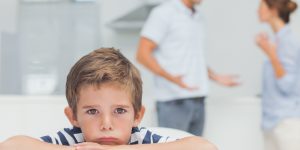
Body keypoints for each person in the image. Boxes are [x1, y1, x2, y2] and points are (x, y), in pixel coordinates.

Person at [0, 48, 217, 150]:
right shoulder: (74, 139)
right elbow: (10, 146)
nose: (106, 124)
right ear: (73, 116)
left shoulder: (140, 139)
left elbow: (205, 148)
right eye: (92, 111)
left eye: (120, 111)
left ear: (138, 115)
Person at [136, 0, 239, 136]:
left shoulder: (198, 17)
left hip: (198, 100)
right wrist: (172, 78)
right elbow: (142, 54)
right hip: (173, 101)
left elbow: (193, 59)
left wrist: (216, 77)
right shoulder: (163, 13)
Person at [256, 0, 300, 150]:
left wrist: (272, 55)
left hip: (286, 123)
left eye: (261, 7)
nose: (257, 11)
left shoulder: (288, 42)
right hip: (272, 122)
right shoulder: (276, 40)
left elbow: (287, 85)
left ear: (273, 10)